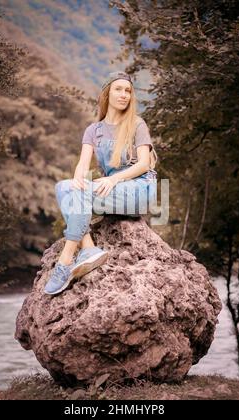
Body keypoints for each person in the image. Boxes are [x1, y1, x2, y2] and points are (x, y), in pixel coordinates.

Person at [44, 71, 158, 295]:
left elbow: (144, 164)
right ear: (107, 93)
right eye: (118, 89)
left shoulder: (137, 124)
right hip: (111, 190)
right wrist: (78, 178)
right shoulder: (93, 130)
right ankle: (87, 247)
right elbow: (82, 166)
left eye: (128, 91)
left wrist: (113, 178)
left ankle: (65, 261)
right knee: (64, 187)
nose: (124, 95)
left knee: (80, 192)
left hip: (139, 189)